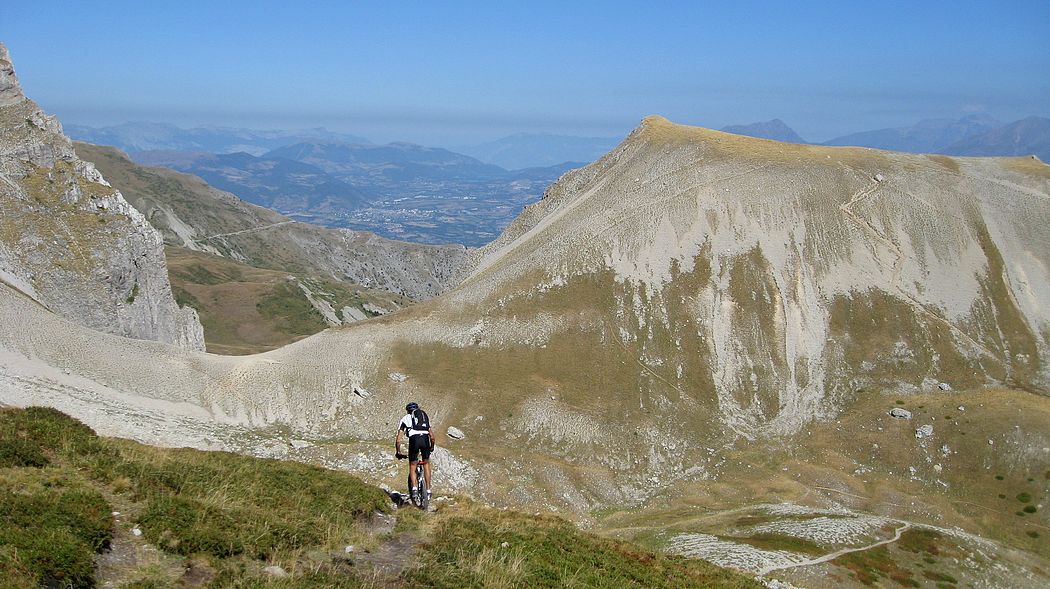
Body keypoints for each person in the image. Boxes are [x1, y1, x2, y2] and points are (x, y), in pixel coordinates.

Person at [395, 401, 434, 505]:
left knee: (413, 465)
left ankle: (415, 489)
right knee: (426, 463)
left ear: (408, 411)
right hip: (425, 439)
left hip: (414, 440)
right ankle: (429, 490)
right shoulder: (423, 417)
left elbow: (398, 439)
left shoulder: (405, 418)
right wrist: (431, 447)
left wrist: (398, 452)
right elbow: (432, 436)